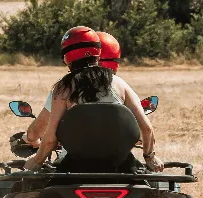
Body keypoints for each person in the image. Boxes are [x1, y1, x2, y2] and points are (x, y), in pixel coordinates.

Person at [24, 27, 162, 172]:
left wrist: (37, 161)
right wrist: (149, 157)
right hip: (120, 164)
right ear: (98, 52)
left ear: (66, 57)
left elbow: (51, 138)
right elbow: (146, 128)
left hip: (75, 165)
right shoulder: (119, 83)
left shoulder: (63, 88)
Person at [26, 31, 122, 145]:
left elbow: (36, 132)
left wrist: (30, 140)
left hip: (74, 155)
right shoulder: (120, 87)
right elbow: (140, 127)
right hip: (118, 154)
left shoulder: (65, 88)